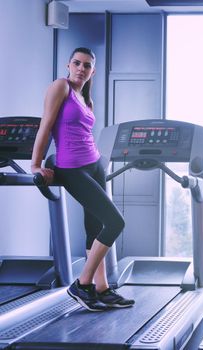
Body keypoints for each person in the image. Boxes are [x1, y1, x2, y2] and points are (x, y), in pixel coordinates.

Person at [31, 47, 134, 312]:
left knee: (94, 228)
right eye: (77, 63)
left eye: (87, 66)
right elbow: (45, 126)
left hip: (94, 164)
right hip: (71, 167)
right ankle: (82, 284)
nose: (81, 69)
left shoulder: (86, 99)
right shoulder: (60, 87)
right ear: (68, 65)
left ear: (93, 71)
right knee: (115, 222)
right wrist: (36, 164)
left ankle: (102, 288)